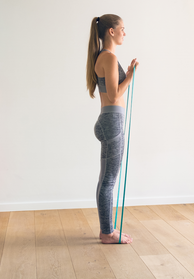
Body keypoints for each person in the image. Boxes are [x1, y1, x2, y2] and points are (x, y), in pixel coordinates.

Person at [86, 14, 138, 244]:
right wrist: (131, 76)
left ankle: (106, 229)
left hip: (108, 121)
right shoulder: (108, 57)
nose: (125, 33)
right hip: (112, 122)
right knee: (108, 181)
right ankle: (107, 232)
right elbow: (115, 94)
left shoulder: (102, 56)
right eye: (123, 29)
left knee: (105, 179)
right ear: (111, 31)